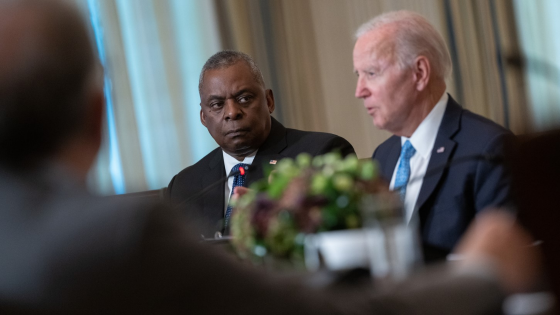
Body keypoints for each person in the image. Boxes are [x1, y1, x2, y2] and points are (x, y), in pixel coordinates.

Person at [0, 1, 541, 313]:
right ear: (97, 119)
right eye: (217, 104)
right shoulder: (147, 215)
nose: (357, 91)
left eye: (369, 74)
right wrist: (484, 274)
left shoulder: (327, 155)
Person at [353, 11, 515, 261]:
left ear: (419, 72)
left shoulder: (490, 148)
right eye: (358, 75)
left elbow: (504, 261)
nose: (360, 91)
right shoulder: (383, 156)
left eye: (372, 73)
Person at [167, 51, 355, 238]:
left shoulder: (321, 154)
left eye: (244, 98)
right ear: (203, 117)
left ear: (269, 101)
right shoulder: (184, 187)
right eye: (217, 104)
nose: (232, 112)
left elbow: (343, 234)